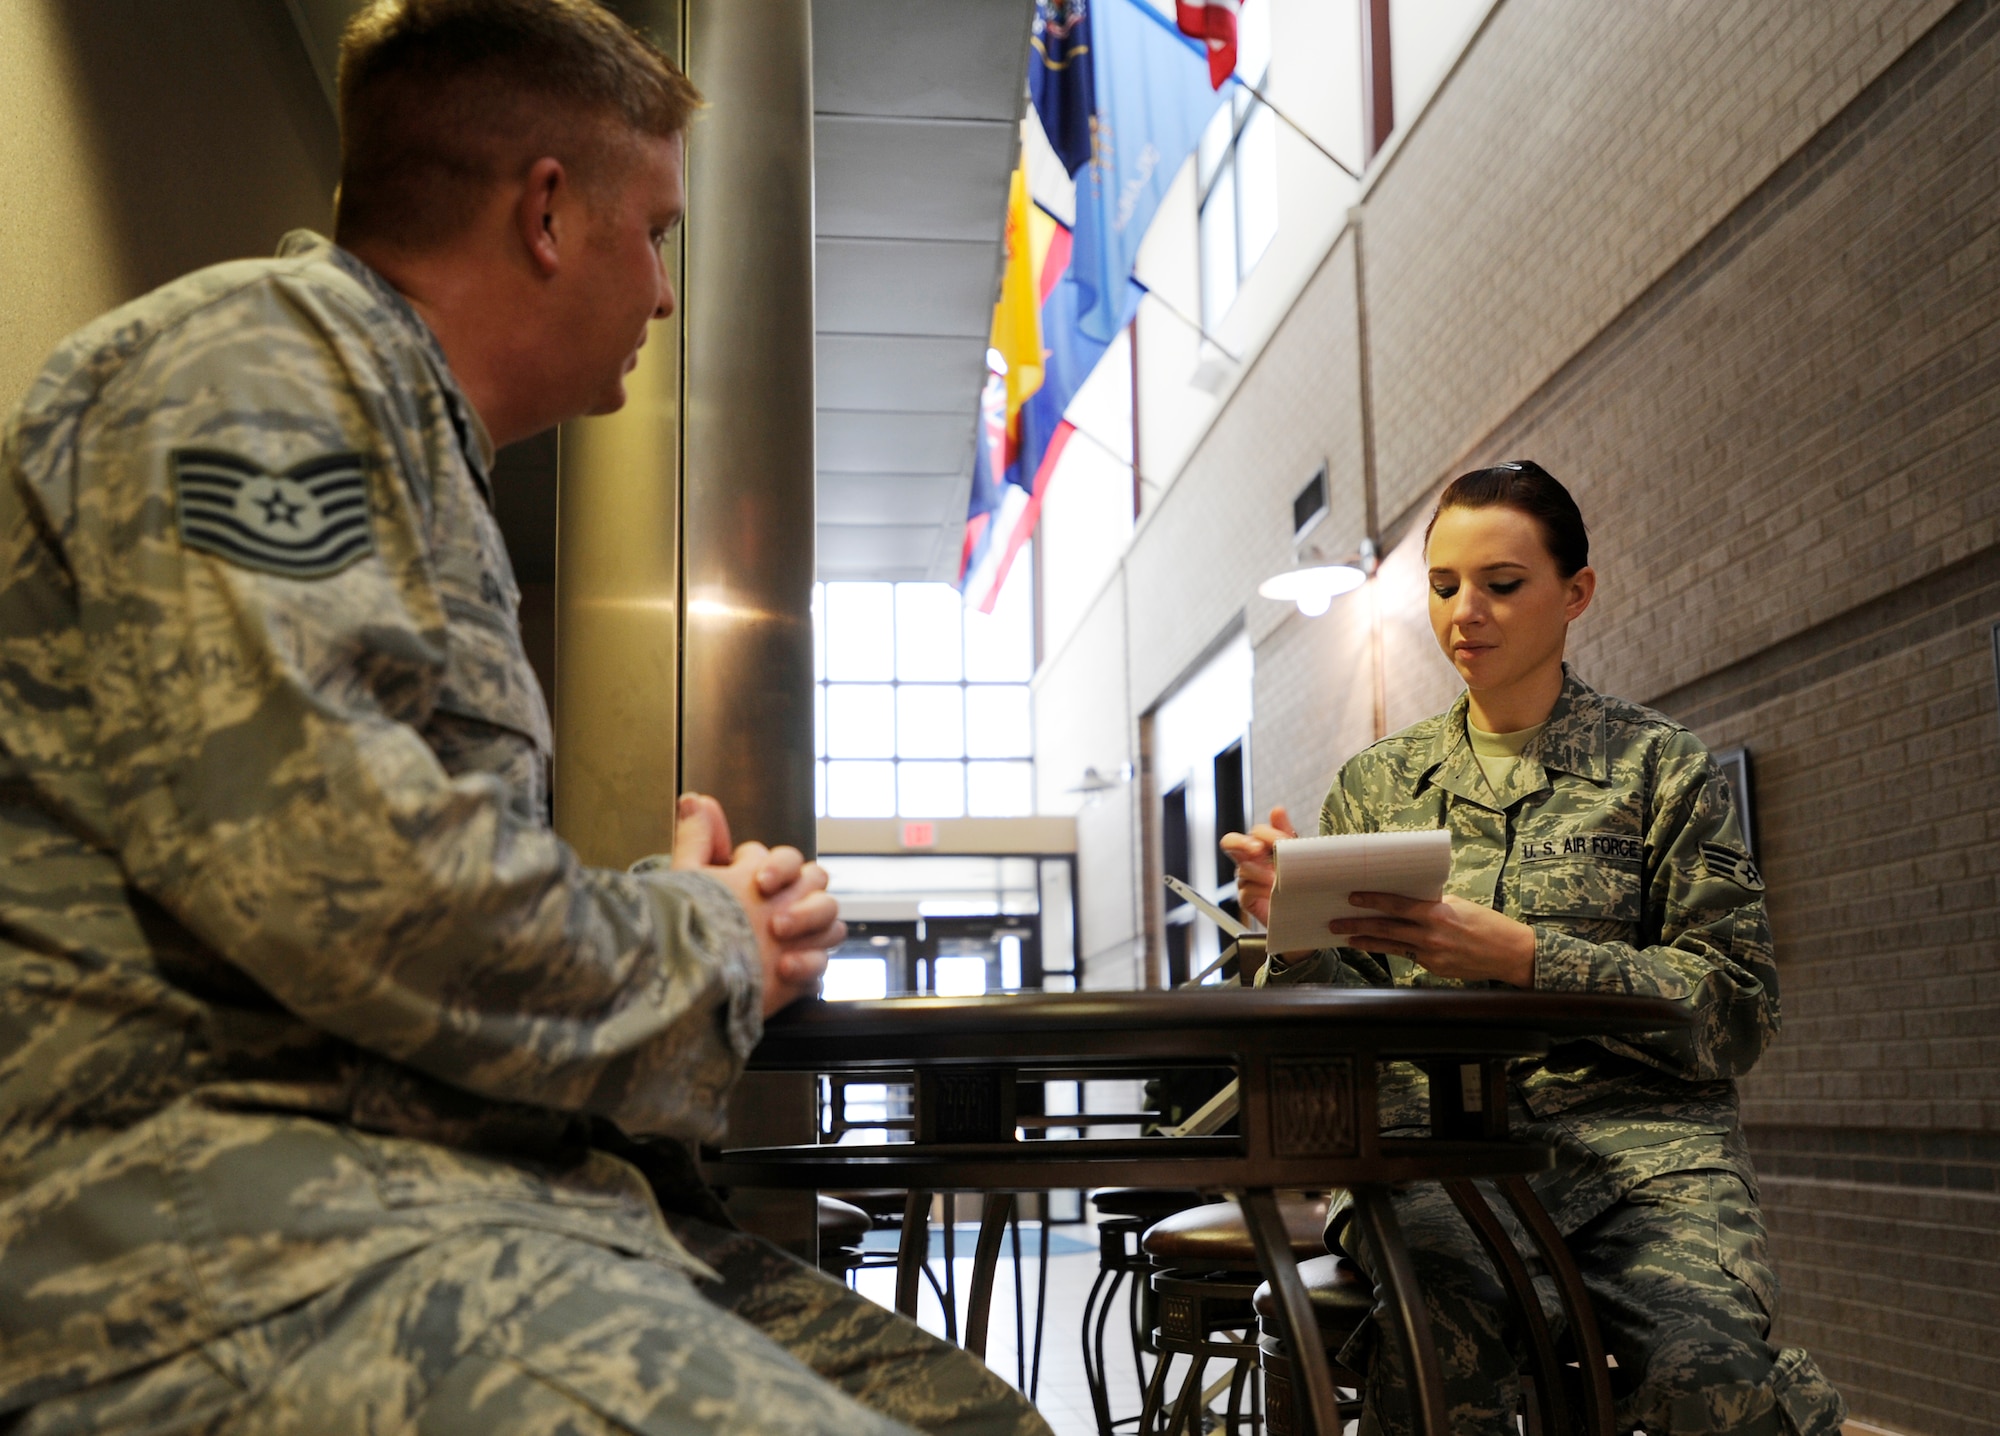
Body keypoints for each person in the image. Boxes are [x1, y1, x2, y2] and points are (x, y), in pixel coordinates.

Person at [0, 3, 1046, 1433]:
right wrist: (706, 938)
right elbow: (333, 880)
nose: (664, 295)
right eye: (655, 234)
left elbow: (355, 867)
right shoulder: (257, 368)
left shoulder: (392, 425)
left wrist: (672, 905)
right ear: (547, 213)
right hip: (232, 1250)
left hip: (436, 1204)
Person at [1222, 463, 1846, 1436]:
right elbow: (1322, 1039)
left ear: (1575, 592)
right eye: (1441, 586)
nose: (1463, 612)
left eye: (1501, 584)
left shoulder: (1658, 769)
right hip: (1437, 1161)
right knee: (1441, 1357)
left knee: (1712, 1377)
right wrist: (1290, 933)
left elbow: (1733, 1013)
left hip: (1643, 1164)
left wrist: (1526, 955)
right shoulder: (1378, 787)